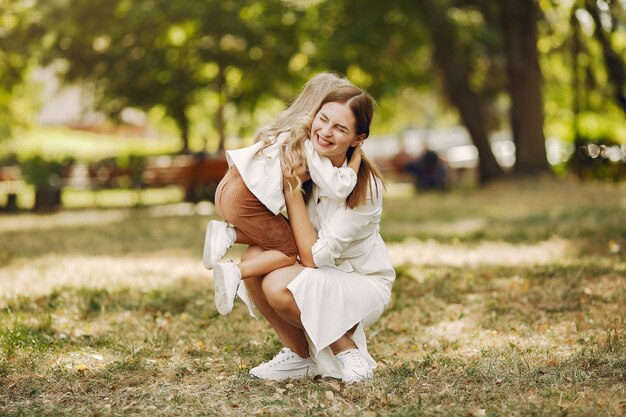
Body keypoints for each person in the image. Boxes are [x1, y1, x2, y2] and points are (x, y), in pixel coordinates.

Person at [238, 84, 396, 384]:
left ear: (357, 139)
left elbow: (312, 257)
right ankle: (300, 356)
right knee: (255, 257)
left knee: (278, 285)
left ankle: (348, 352)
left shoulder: (365, 188)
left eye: (340, 128)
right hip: (322, 274)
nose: (325, 131)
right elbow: (281, 231)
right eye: (322, 119)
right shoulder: (310, 165)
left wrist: (292, 190)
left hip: (361, 283)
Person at [203, 73, 362, 316]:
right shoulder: (309, 145)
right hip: (247, 201)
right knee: (288, 252)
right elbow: (338, 186)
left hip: (229, 188)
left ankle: (229, 233)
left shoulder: (285, 129)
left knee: (278, 236)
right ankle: (235, 272)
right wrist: (355, 162)